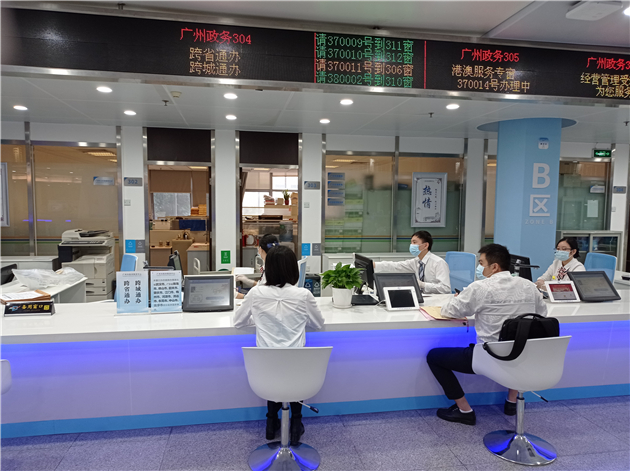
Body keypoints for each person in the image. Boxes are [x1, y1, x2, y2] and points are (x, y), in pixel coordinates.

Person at [426, 243, 547, 425]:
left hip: (489, 357)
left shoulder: (480, 287)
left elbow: (450, 310)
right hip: (523, 357)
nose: (479, 267)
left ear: (494, 266)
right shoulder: (529, 286)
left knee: (434, 357)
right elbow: (542, 314)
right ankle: (511, 401)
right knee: (517, 341)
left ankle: (464, 410)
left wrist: (459, 298)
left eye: (481, 263)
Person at [233, 245, 325, 444]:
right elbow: (318, 324)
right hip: (299, 372)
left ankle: (271, 422)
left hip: (265, 374)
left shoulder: (256, 293)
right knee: (293, 371)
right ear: (293, 269)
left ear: (269, 269)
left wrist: (260, 319)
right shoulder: (304, 295)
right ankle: (296, 423)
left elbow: (238, 322)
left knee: (274, 370)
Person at [374, 230, 451, 294]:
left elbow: (446, 288)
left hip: (438, 300)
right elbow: (396, 266)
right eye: (411, 242)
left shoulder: (438, 262)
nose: (411, 245)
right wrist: (375, 265)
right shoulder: (417, 261)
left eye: (414, 242)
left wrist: (423, 285)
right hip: (424, 298)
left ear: (425, 245)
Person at [235, 234, 279, 298]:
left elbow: (266, 295)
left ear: (260, 249)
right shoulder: (274, 265)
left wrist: (238, 295)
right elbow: (264, 286)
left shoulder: (271, 269)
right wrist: (247, 281)